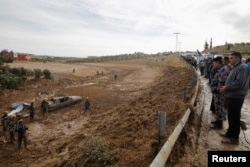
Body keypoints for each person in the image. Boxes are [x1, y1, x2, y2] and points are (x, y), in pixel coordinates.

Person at [219, 51, 249, 145]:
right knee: (231, 116)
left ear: (237, 58)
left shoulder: (242, 68)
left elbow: (239, 83)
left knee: (235, 117)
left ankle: (234, 138)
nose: (229, 60)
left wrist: (227, 87)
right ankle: (229, 133)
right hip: (232, 95)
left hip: (237, 96)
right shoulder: (236, 67)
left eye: (231, 58)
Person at [210, 55, 230, 129]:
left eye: (214, 63)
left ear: (218, 63)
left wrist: (214, 89)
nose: (213, 64)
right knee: (218, 108)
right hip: (217, 93)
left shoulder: (223, 70)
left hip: (220, 93)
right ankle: (218, 120)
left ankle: (219, 125)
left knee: (220, 108)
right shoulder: (221, 69)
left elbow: (222, 84)